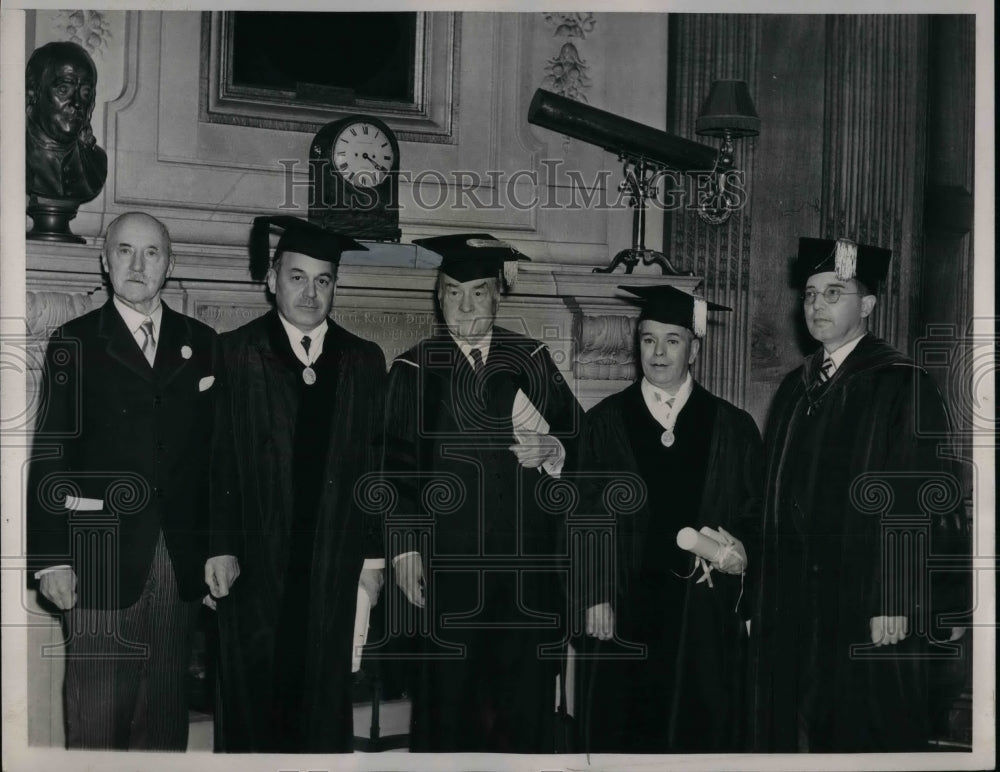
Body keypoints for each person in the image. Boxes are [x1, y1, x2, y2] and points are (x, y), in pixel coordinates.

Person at [748, 237, 970, 752]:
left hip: (866, 604)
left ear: (867, 305)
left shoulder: (901, 384)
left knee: (861, 734)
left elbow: (924, 501)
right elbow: (770, 498)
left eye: (834, 292)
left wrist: (894, 597)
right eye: (809, 295)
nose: (817, 305)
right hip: (796, 604)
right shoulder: (794, 388)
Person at [383, 233, 584, 752]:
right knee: (449, 709)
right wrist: (405, 550)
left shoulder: (532, 359)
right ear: (438, 298)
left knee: (522, 712)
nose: (466, 305)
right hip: (449, 575)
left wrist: (554, 450)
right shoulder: (412, 369)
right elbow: (394, 469)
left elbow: (584, 441)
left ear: (499, 294)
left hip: (526, 574)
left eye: (478, 292)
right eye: (453, 292)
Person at [26, 212, 218, 750]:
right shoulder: (76, 341)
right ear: (105, 262)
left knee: (162, 717)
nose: (138, 264)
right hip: (99, 552)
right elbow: (50, 456)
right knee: (96, 716)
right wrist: (51, 559)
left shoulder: (202, 343)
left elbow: (217, 460)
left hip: (179, 556)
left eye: (152, 252)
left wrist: (220, 547)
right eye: (126, 251)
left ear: (169, 264)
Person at [206, 215, 387, 753]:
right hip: (253, 567)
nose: (311, 292)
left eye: (324, 280)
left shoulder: (362, 359)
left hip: (332, 565)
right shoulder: (234, 353)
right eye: (297, 277)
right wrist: (217, 547)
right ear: (271, 279)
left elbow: (375, 468)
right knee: (252, 705)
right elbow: (215, 462)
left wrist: (373, 562)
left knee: (321, 706)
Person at [574, 284, 762, 753]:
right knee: (624, 733)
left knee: (698, 732)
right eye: (648, 339)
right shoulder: (603, 423)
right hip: (623, 606)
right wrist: (594, 594)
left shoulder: (732, 426)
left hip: (702, 612)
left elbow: (754, 515)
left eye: (672, 340)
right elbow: (581, 519)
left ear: (694, 348)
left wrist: (740, 552)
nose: (658, 352)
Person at [26, 40, 107, 202]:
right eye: (63, 89)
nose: (77, 103)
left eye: (85, 92)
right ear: (33, 92)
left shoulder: (97, 161)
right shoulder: (11, 157)